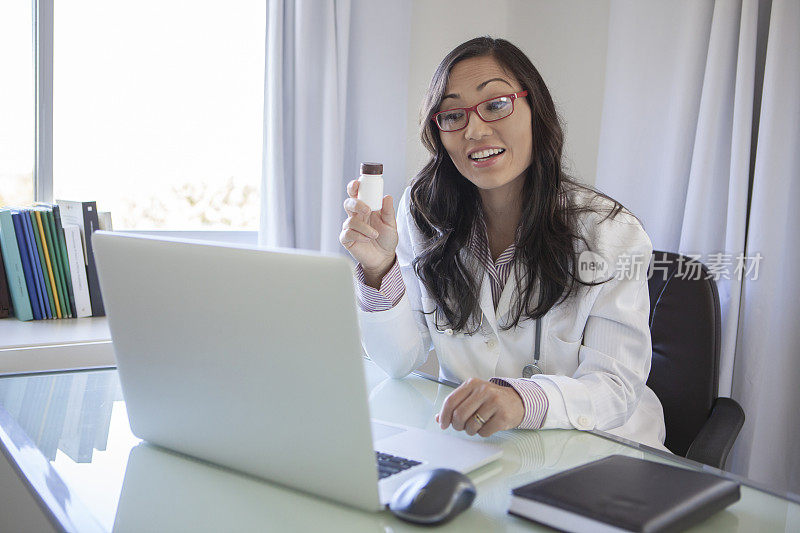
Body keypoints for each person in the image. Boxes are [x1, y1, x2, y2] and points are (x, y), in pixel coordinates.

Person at [339, 37, 666, 450]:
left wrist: (523, 400)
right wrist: (378, 268)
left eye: (496, 105)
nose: (474, 130)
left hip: (597, 450)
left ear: (535, 111)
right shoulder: (423, 214)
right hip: (478, 448)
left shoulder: (611, 233)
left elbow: (615, 387)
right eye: (453, 115)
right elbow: (398, 361)